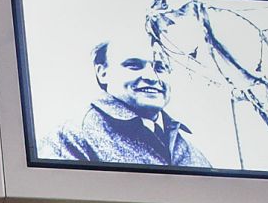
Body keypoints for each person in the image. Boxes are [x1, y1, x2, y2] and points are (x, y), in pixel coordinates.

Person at [41, 34, 211, 168]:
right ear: (103, 73)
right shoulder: (72, 137)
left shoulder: (193, 152)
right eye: (134, 66)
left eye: (160, 67)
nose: (152, 77)